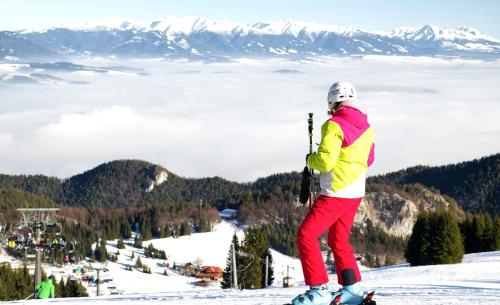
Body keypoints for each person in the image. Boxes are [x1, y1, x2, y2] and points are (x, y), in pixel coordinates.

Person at [292, 82, 375, 305]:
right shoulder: (367, 128)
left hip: (335, 192)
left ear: (332, 101)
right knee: (338, 239)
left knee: (306, 235)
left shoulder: (333, 125)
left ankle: (318, 290)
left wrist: (311, 159)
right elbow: (369, 159)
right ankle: (352, 289)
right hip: (356, 192)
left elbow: (325, 161)